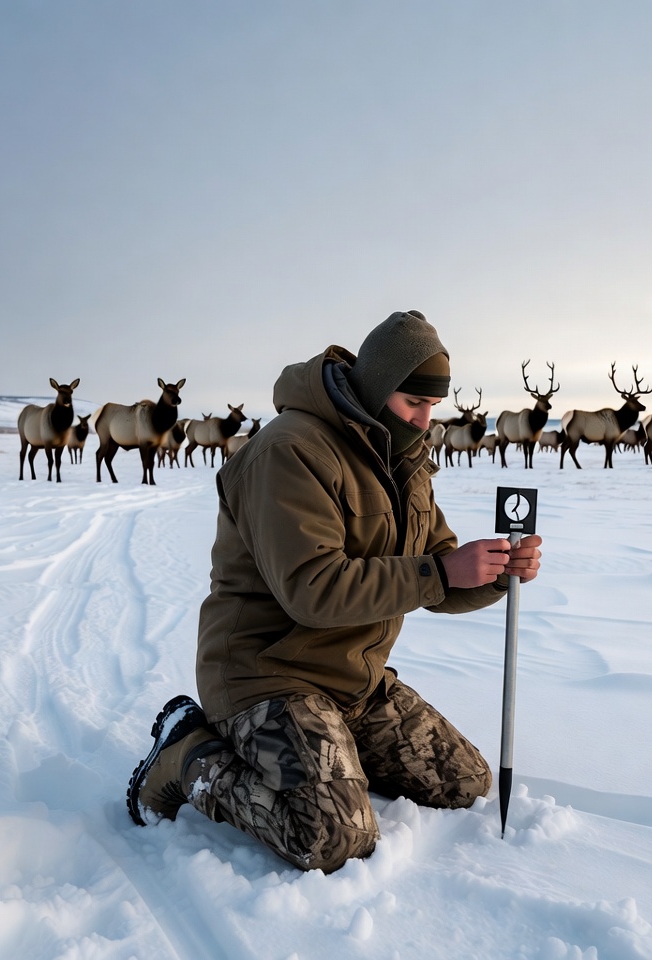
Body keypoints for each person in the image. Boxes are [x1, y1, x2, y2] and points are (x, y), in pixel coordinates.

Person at [126, 310, 543, 873]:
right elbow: (313, 590)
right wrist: (443, 573)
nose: (425, 421)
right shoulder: (289, 451)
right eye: (413, 403)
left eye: (433, 406)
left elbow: (438, 572)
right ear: (376, 387)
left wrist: (495, 572)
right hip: (265, 677)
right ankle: (187, 758)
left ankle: (329, 749)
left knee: (464, 782)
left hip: (354, 681)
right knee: (334, 837)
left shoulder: (405, 460)